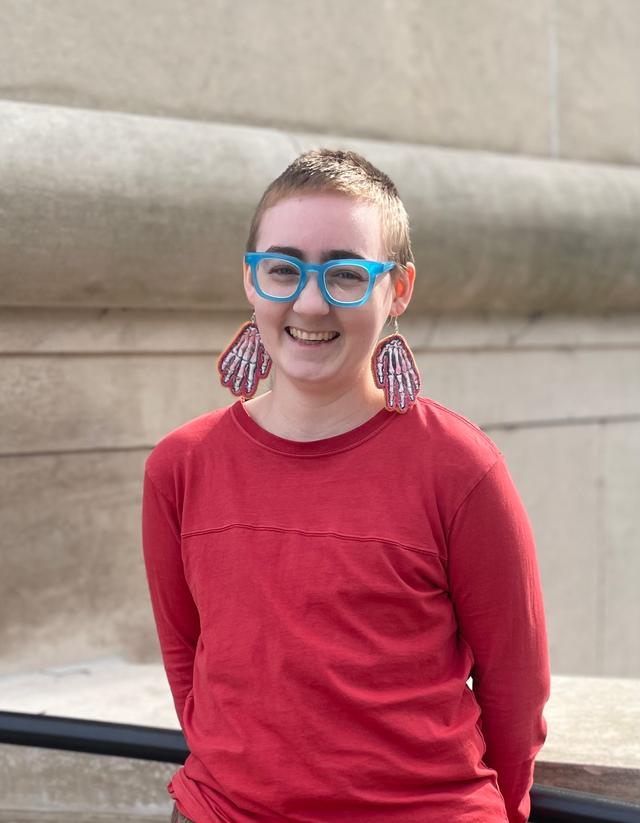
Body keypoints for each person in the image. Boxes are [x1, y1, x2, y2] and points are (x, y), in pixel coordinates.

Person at [142, 149, 550, 823]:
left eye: (345, 273)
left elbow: (517, 685)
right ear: (251, 282)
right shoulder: (180, 467)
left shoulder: (460, 468)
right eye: (282, 269)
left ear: (399, 288)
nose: (309, 300)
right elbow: (188, 658)